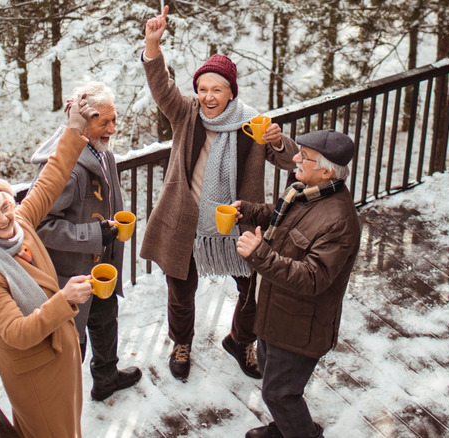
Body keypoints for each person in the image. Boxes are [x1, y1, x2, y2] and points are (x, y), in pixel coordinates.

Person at [142, 6, 298, 381]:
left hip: (238, 223)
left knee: (251, 289)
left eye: (217, 89)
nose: (208, 97)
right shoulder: (187, 114)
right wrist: (152, 43)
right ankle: (182, 343)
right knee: (180, 292)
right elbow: (161, 87)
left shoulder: (252, 123)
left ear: (231, 92)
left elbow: (290, 161)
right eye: (203, 89)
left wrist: (279, 140)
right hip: (187, 222)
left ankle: (241, 340)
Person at [0, 97, 97, 438]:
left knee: (65, 427)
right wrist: (64, 300)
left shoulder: (22, 222)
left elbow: (51, 178)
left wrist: (75, 126)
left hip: (60, 355)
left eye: (5, 206)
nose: (4, 218)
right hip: (35, 372)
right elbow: (16, 333)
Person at [234, 129, 361, 438]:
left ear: (327, 170)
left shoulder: (339, 221)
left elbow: (313, 278)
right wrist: (248, 211)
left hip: (299, 326)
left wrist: (260, 254)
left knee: (280, 394)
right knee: (272, 376)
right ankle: (283, 429)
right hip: (275, 312)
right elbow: (281, 216)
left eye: (304, 157)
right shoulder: (305, 191)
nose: (295, 159)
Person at [31, 81, 142, 402]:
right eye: (103, 122)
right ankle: (58, 407)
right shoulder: (65, 169)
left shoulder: (100, 150)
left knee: (106, 319)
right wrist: (97, 234)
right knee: (70, 343)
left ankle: (106, 378)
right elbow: (39, 226)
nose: (112, 129)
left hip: (101, 265)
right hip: (71, 275)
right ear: (80, 123)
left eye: (114, 119)